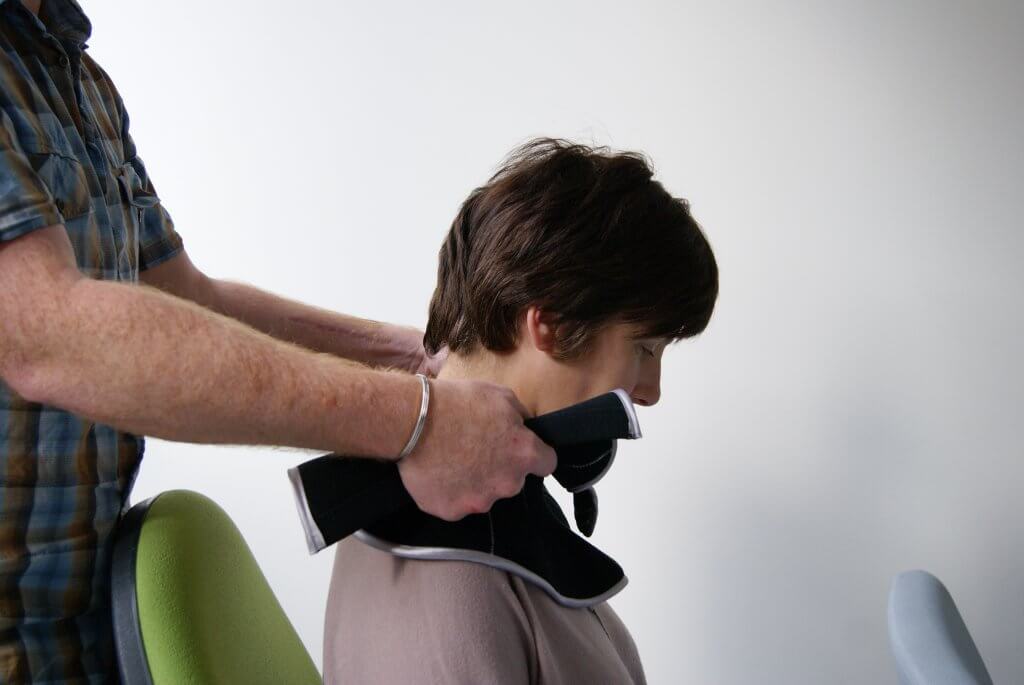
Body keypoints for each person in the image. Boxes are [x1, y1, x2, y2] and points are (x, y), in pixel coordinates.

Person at [0, 1, 556, 682]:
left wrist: (409, 355)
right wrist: (416, 420)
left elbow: (185, 297)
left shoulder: (77, 80)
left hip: (76, 641)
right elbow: (49, 335)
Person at [323, 138, 719, 683]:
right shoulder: (456, 588)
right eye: (644, 349)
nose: (650, 390)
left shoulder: (494, 506)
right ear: (550, 325)